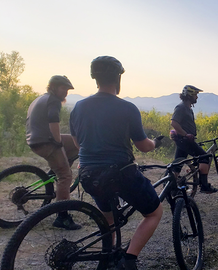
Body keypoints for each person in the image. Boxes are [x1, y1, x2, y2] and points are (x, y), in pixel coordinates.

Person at [69, 56, 163, 270]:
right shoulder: (127, 108)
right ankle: (128, 261)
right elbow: (143, 146)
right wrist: (155, 142)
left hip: (89, 175)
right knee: (154, 213)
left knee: (108, 219)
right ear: (118, 78)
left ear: (95, 79)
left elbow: (77, 142)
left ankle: (107, 258)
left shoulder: (79, 107)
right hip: (120, 174)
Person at [25, 75, 81, 230]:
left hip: (35, 139)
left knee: (77, 143)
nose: (66, 93)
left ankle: (55, 171)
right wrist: (58, 144)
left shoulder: (42, 98)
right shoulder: (53, 101)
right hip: (45, 142)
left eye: (67, 90)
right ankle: (62, 217)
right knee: (65, 176)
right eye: (63, 89)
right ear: (54, 87)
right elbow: (53, 123)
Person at [170, 85, 218, 193]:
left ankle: (172, 186)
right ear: (189, 95)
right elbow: (174, 122)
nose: (196, 97)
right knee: (205, 157)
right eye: (195, 95)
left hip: (184, 140)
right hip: (185, 140)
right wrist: (186, 134)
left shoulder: (188, 108)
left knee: (178, 164)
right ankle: (204, 186)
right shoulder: (181, 107)